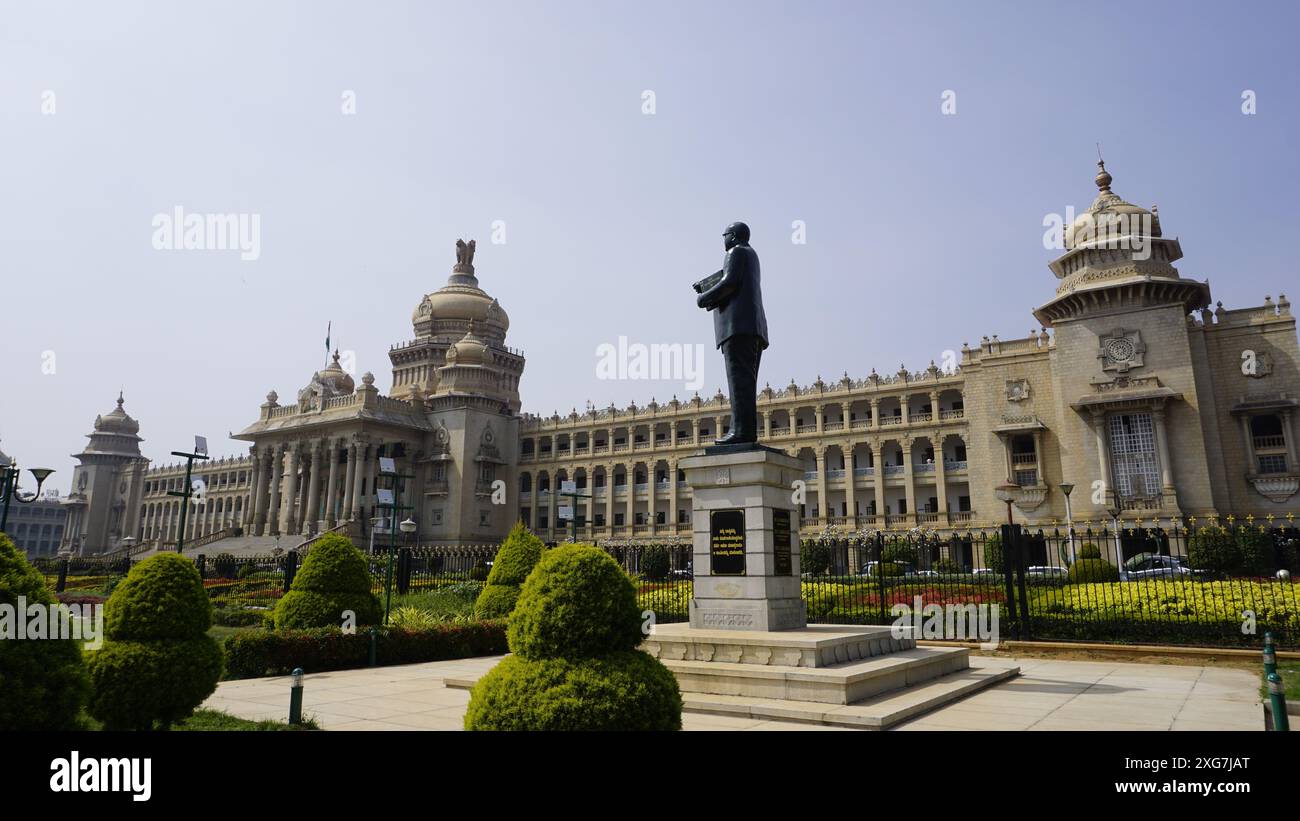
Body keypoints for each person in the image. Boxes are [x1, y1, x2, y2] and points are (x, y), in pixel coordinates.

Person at [695, 222, 769, 446]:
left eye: (725, 235)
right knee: (746, 382)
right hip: (753, 327)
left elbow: (730, 282)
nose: (723, 239)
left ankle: (740, 432)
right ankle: (744, 431)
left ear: (734, 236)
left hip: (737, 327)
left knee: (739, 382)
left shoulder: (735, 251)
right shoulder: (752, 255)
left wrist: (704, 297)